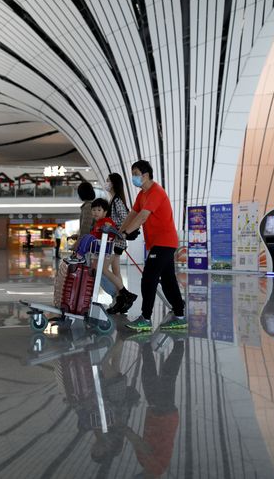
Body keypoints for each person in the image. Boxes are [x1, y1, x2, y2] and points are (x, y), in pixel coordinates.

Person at [118, 160, 186, 332]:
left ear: (145, 175)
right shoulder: (142, 194)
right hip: (158, 243)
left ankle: (145, 319)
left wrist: (126, 234)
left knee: (149, 278)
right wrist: (119, 231)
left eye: (135, 174)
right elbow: (132, 214)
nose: (133, 177)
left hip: (164, 242)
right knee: (169, 280)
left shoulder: (156, 192)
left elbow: (142, 217)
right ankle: (180, 316)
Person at [124, 338, 185, 476]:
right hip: (163, 416)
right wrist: (123, 430)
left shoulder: (145, 464)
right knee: (162, 376)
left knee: (162, 377)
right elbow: (140, 444)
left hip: (160, 414)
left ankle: (176, 342)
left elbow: (139, 443)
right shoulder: (155, 469)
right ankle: (176, 341)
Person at [76, 198, 137, 304]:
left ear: (105, 212)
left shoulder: (106, 221)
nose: (95, 212)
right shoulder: (98, 223)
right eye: (93, 210)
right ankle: (122, 296)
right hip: (101, 251)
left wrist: (107, 229)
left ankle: (122, 293)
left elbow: (110, 232)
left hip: (106, 251)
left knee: (102, 271)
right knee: (106, 271)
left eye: (99, 210)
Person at [104, 173, 132, 315]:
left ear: (114, 183)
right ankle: (121, 300)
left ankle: (125, 294)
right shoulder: (113, 200)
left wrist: (115, 230)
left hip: (116, 241)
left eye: (108, 181)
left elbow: (126, 219)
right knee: (116, 270)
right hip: (115, 240)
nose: (106, 183)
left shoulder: (117, 201)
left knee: (102, 268)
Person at [69, 181, 95, 251]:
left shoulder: (87, 207)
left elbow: (85, 229)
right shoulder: (89, 206)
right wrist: (78, 236)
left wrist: (77, 244)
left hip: (88, 245)